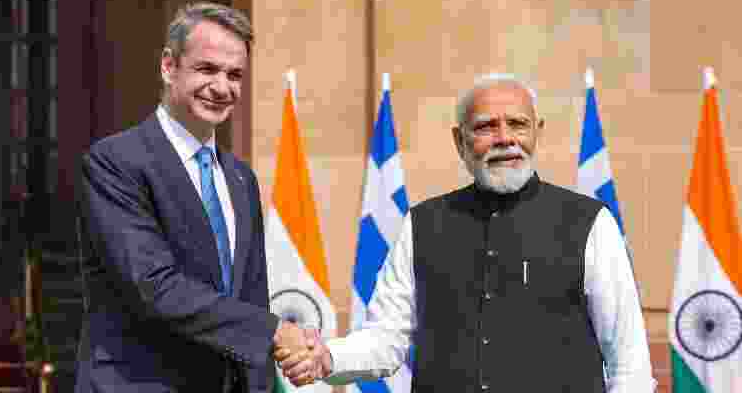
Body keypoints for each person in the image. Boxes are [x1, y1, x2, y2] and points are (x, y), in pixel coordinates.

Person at [277, 74, 657, 392]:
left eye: (518, 124)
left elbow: (630, 363)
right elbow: (385, 338)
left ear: (537, 132)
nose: (504, 138)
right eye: (486, 127)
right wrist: (328, 356)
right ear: (460, 141)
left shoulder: (590, 222)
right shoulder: (422, 225)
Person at [76, 2, 309, 393]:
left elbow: (251, 298)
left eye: (235, 74)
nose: (222, 87)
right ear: (169, 66)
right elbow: (153, 286)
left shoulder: (240, 179)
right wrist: (275, 332)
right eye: (207, 69)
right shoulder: (115, 162)